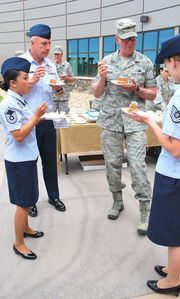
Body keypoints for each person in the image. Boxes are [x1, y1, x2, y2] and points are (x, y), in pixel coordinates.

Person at [128, 33, 180, 296]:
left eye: (165, 66)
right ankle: (174, 269)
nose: (166, 72)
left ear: (172, 62)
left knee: (177, 232)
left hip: (179, 175)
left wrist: (149, 122)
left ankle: (172, 282)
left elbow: (175, 148)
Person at [92, 18, 156, 235]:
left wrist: (137, 88)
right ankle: (117, 201)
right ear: (116, 40)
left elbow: (153, 93)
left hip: (135, 120)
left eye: (133, 39)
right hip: (110, 121)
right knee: (112, 164)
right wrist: (101, 77)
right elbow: (96, 92)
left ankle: (145, 210)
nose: (130, 43)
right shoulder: (106, 61)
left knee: (138, 165)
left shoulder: (145, 62)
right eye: (126, 39)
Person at [0, 57, 48, 259]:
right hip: (18, 161)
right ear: (12, 83)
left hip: (27, 158)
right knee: (22, 203)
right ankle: (18, 243)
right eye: (25, 78)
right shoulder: (9, 105)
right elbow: (18, 135)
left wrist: (37, 117)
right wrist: (36, 117)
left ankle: (26, 228)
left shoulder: (19, 99)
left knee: (27, 200)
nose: (29, 82)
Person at [21, 24, 66, 217]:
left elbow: (59, 90)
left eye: (49, 43)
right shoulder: (21, 63)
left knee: (50, 161)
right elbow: (12, 90)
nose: (47, 48)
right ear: (33, 42)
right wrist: (30, 81)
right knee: (30, 163)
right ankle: (30, 200)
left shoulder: (51, 65)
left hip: (48, 120)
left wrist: (58, 88)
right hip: (28, 121)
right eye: (43, 43)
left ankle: (53, 196)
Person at [52, 46, 75, 114]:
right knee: (50, 118)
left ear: (62, 54)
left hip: (64, 97)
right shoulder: (50, 65)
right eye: (55, 54)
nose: (57, 56)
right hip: (52, 97)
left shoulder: (67, 65)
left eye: (58, 54)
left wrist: (66, 78)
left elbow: (73, 79)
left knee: (63, 118)